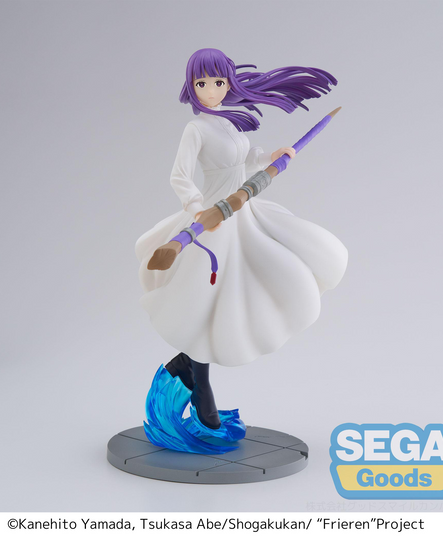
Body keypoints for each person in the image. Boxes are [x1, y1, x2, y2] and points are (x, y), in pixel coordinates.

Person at [136, 48, 348, 430]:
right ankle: (200, 383)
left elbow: (243, 161)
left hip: (241, 210)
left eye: (218, 82)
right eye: (202, 83)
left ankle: (187, 365)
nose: (211, 90)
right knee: (203, 300)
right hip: (212, 219)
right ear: (192, 85)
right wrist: (197, 209)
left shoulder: (228, 121)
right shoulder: (196, 128)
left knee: (264, 277)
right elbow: (180, 175)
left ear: (228, 82)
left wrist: (271, 157)